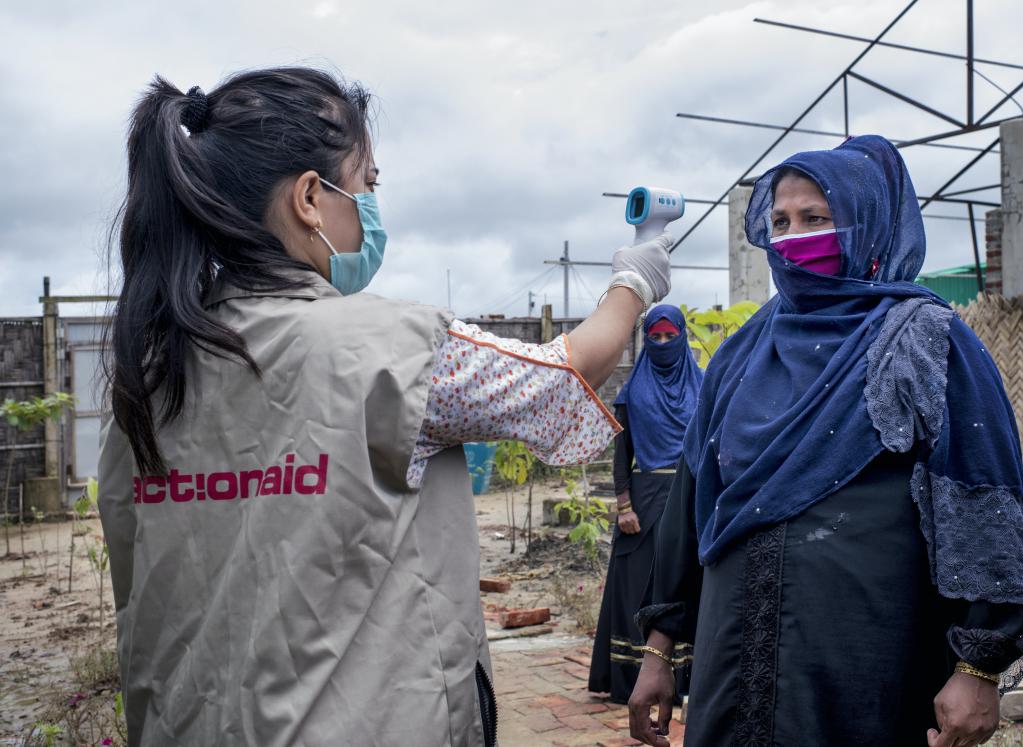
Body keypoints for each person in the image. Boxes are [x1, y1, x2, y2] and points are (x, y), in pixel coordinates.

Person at [96, 67, 672, 747]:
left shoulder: (146, 378)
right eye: (367, 184)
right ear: (311, 197)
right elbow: (564, 370)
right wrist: (634, 280)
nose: (371, 206)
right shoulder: (394, 351)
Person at [627, 136, 1023, 747]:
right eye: (779, 221)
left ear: (868, 228)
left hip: (863, 664)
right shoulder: (741, 354)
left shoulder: (927, 341)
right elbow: (694, 507)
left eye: (816, 219)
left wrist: (979, 665)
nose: (793, 236)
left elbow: (984, 502)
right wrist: (660, 650)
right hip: (732, 656)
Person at [588, 305, 701, 704]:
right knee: (633, 588)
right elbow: (623, 455)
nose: (664, 343)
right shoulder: (632, 393)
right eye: (656, 337)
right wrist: (623, 506)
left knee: (680, 585)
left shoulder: (704, 389)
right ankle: (628, 679)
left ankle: (682, 681)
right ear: (646, 339)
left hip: (687, 502)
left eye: (671, 336)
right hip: (642, 503)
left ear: (683, 337)